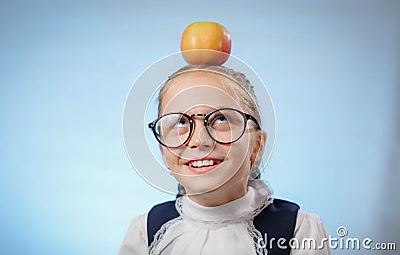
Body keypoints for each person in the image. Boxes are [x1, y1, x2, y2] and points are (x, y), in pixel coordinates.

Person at [119, 65, 331, 255]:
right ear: (163, 150)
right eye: (181, 122)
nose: (199, 141)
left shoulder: (298, 231)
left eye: (220, 119)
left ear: (256, 145)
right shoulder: (145, 233)